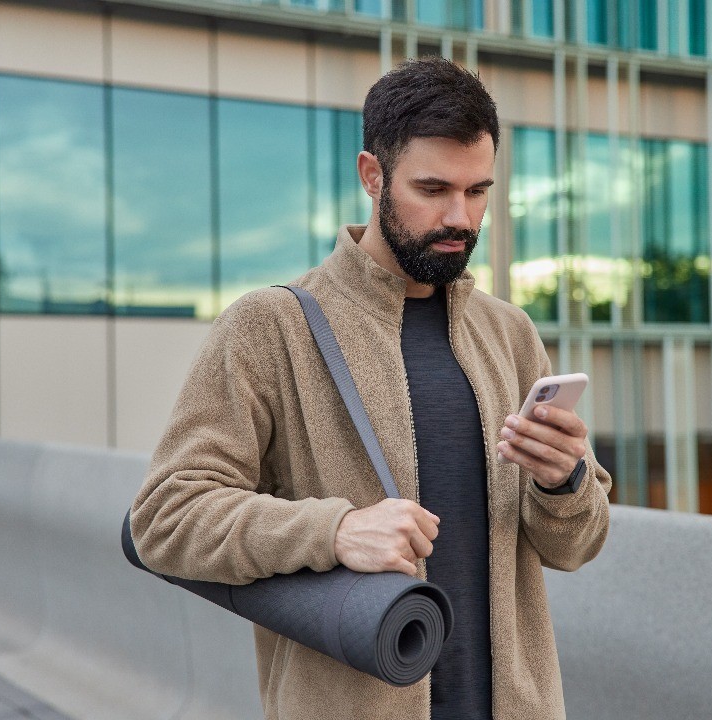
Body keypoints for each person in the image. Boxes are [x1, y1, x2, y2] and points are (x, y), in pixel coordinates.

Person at [130, 56, 612, 720]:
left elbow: (576, 547)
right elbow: (164, 518)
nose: (460, 218)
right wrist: (335, 530)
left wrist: (566, 482)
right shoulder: (270, 326)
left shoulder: (509, 333)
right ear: (371, 175)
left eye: (478, 192)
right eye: (433, 188)